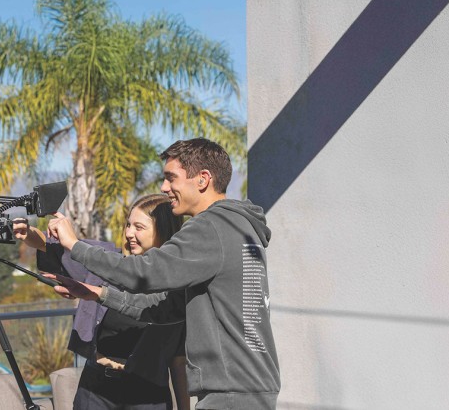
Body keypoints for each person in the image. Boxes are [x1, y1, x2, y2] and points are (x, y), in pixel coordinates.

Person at [47, 138, 280, 410]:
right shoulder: (238, 228)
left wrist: (74, 245)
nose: (164, 187)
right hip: (247, 388)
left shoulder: (211, 226)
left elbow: (143, 272)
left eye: (171, 178)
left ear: (203, 179)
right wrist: (98, 293)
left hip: (231, 393)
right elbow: (165, 308)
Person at [14, 194, 190, 410]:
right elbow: (55, 247)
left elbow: (178, 360)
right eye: (128, 225)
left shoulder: (180, 286)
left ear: (164, 231)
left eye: (139, 227)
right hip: (96, 391)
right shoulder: (107, 262)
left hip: (149, 396)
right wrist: (27, 232)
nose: (128, 233)